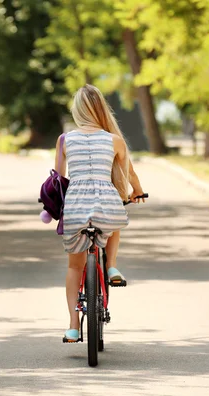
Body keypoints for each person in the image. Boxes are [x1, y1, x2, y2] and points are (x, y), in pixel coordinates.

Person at [54, 84, 145, 342]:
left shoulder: (64, 140)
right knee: (114, 216)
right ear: (101, 110)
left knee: (74, 266)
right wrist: (137, 191)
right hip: (106, 202)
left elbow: (58, 178)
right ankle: (113, 267)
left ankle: (73, 325)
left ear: (78, 110)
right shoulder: (114, 140)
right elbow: (130, 174)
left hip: (75, 207)